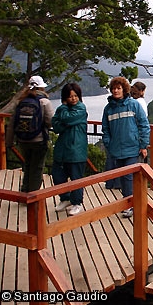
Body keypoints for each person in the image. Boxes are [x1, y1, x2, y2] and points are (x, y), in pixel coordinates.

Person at [102, 76, 150, 218]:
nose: (116, 91)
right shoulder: (108, 109)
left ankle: (131, 205)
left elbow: (144, 125)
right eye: (113, 89)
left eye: (118, 88)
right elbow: (105, 129)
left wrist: (143, 145)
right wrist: (108, 144)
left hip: (132, 148)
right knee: (123, 177)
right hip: (116, 149)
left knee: (129, 176)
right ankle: (129, 203)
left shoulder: (134, 105)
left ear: (124, 89)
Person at [8, 75, 54, 192]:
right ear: (41, 88)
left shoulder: (21, 102)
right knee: (37, 168)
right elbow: (50, 122)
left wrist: (9, 142)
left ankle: (24, 190)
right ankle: (33, 194)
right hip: (39, 140)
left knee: (27, 165)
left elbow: (12, 123)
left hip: (23, 140)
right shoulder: (44, 102)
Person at [52, 83, 88, 216]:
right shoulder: (64, 109)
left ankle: (77, 202)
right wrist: (64, 121)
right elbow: (55, 125)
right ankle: (65, 199)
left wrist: (62, 111)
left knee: (76, 178)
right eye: (70, 96)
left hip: (76, 150)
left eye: (75, 96)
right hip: (62, 149)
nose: (73, 99)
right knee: (57, 176)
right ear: (65, 97)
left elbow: (67, 119)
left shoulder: (81, 108)